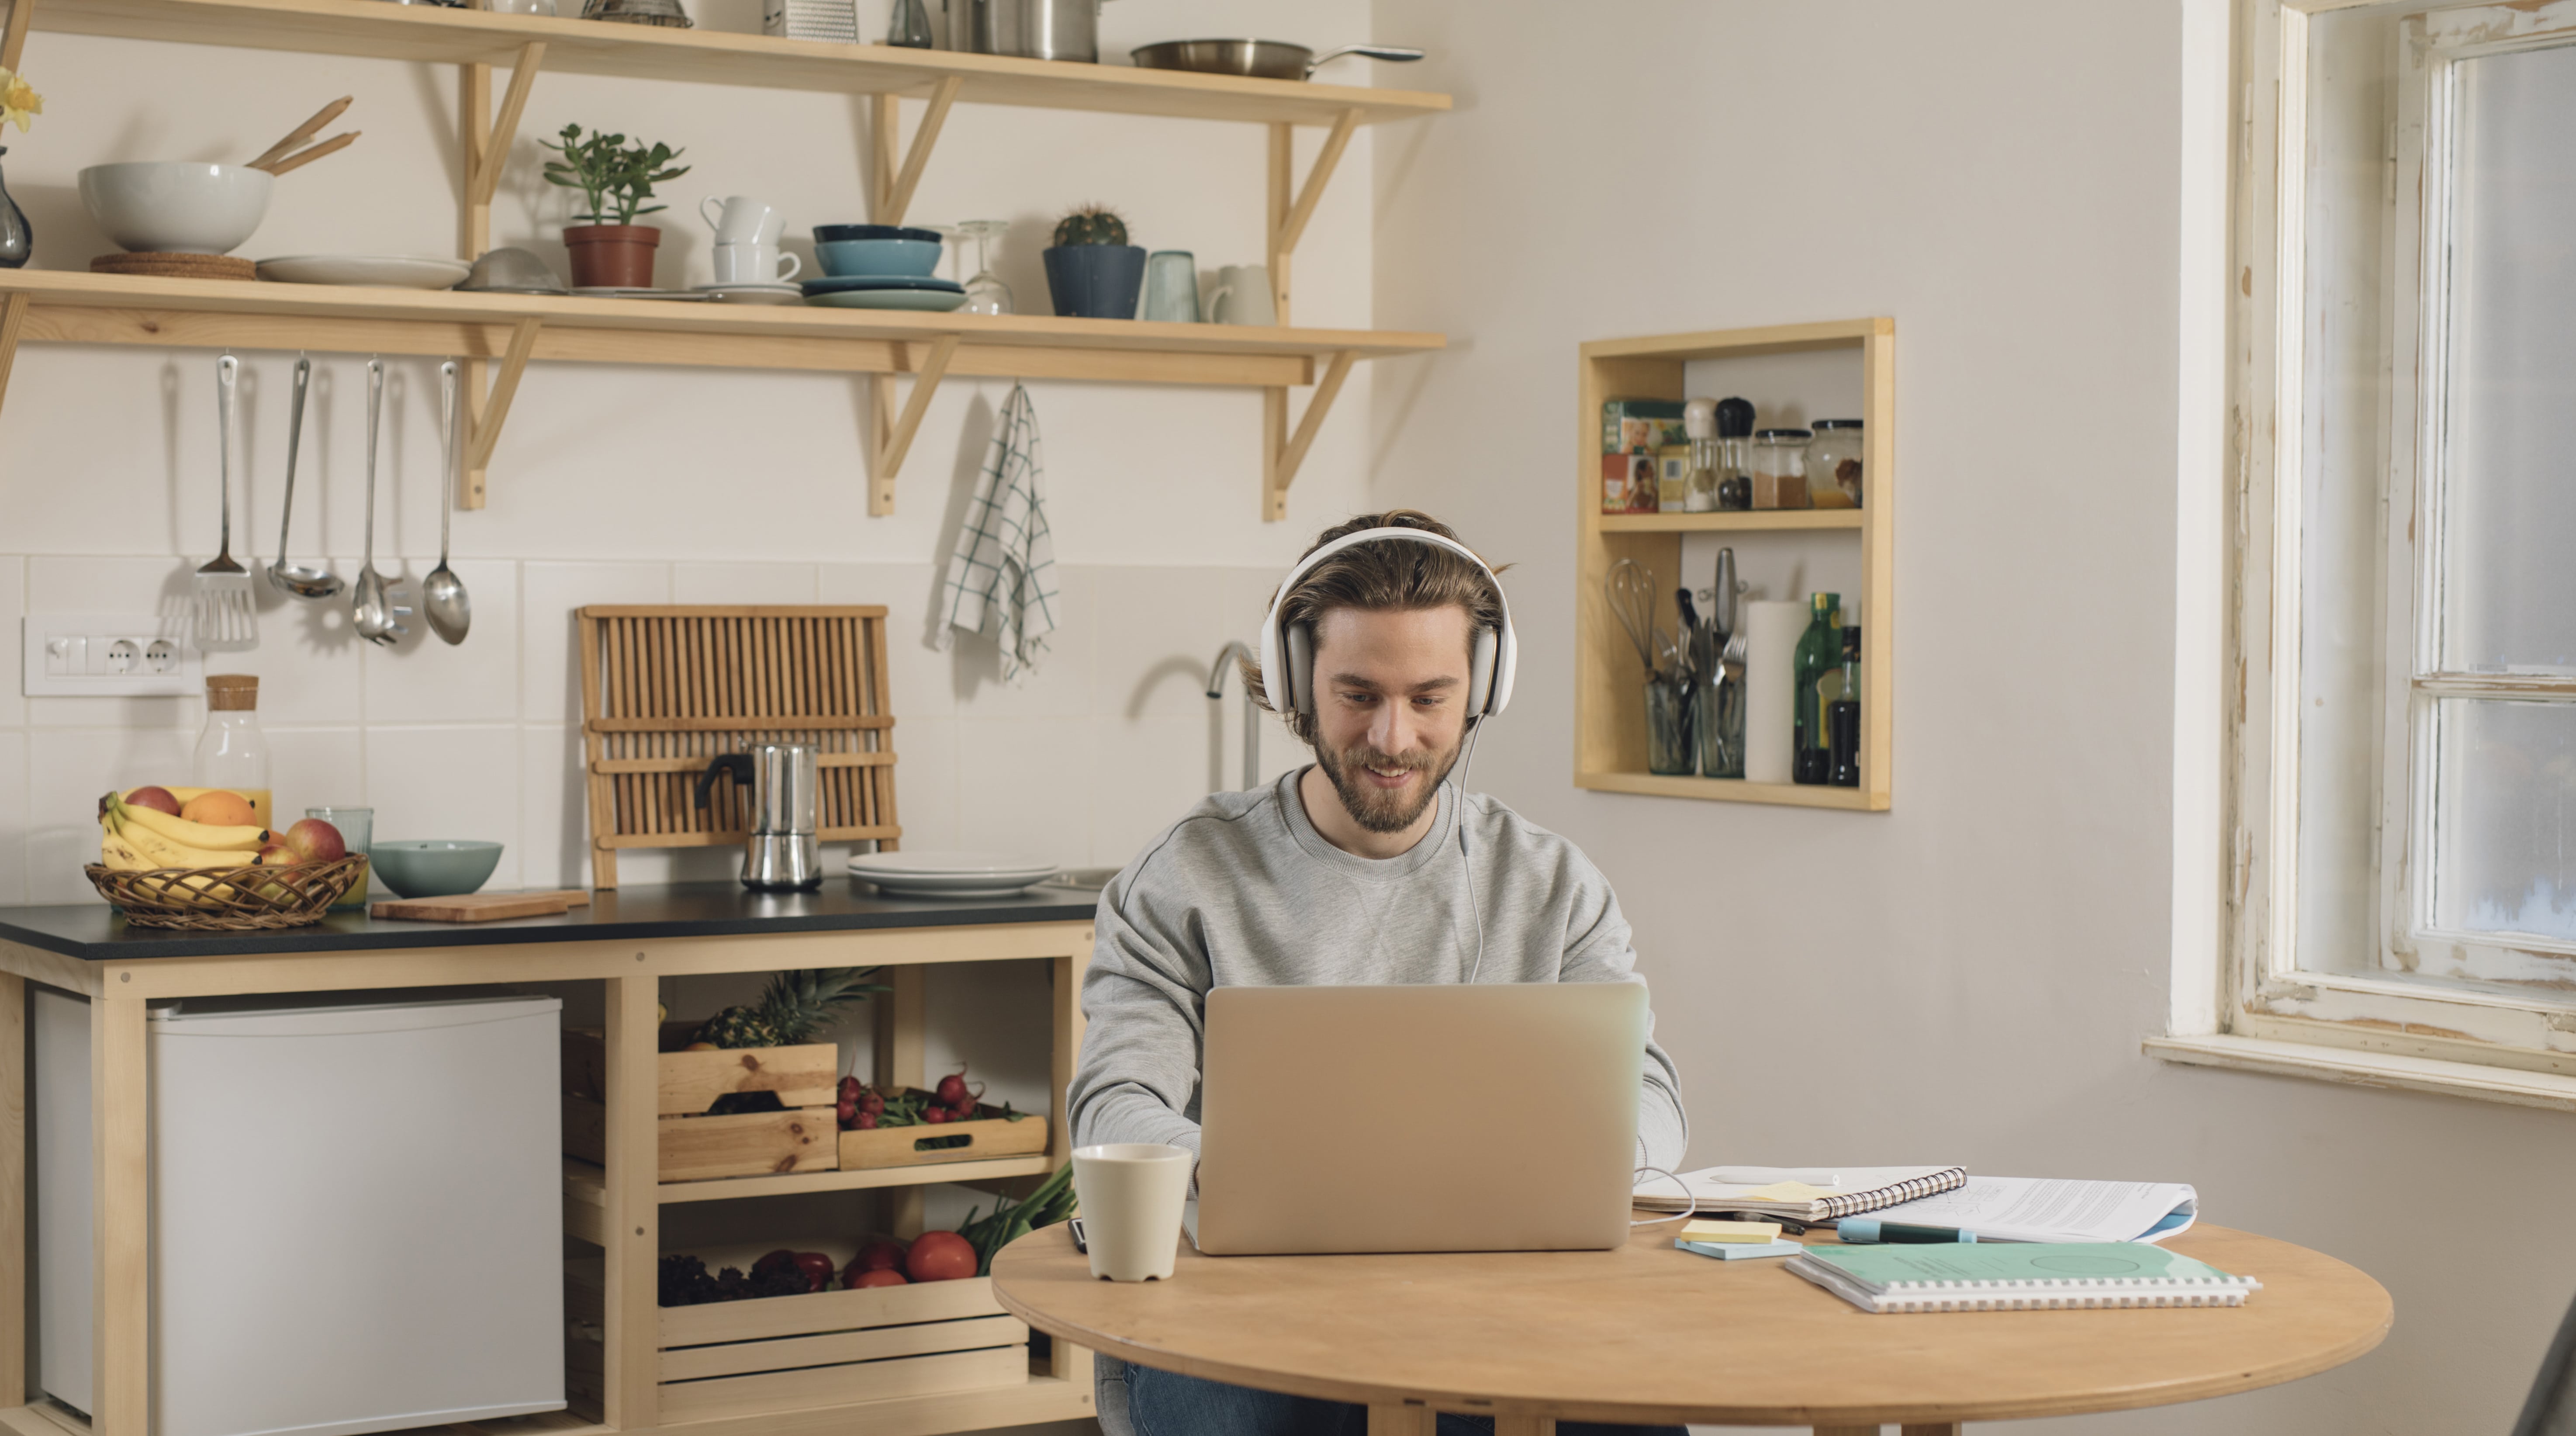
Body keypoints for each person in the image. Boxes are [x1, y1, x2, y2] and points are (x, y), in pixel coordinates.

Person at [1069, 511, 1689, 1436]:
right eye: (1357, 694)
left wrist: (1586, 1162)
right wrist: (1273, 1186)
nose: (1392, 738)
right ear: (1295, 683)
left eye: (1429, 698)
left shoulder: (1553, 884)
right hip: (1244, 1312)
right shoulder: (1183, 881)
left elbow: (1649, 1095)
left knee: (1639, 1419)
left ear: (1483, 691)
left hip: (1505, 1305)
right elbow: (1115, 1102)